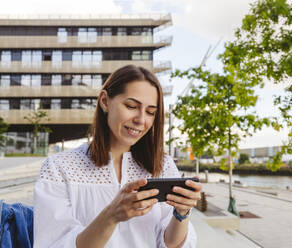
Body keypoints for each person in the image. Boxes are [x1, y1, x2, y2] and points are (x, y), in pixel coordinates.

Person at [33, 65, 202, 247]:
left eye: (150, 112)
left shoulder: (163, 166)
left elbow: (170, 243)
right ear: (105, 101)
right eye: (131, 106)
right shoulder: (59, 168)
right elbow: (54, 243)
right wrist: (111, 215)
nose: (141, 120)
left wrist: (182, 212)